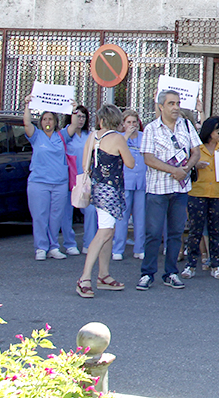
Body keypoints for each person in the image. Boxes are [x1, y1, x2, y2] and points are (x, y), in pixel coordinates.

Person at [138, 89, 201, 291]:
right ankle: (147, 273)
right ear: (161, 106)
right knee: (154, 233)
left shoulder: (186, 125)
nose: (175, 107)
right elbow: (148, 158)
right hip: (158, 189)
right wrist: (173, 170)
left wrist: (186, 169)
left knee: (176, 233)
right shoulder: (151, 129)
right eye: (171, 103)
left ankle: (171, 273)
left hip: (180, 189)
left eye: (177, 103)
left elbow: (196, 152)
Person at [75, 105, 135, 298]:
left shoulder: (92, 136)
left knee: (108, 230)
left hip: (96, 188)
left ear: (101, 120)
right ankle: (85, 278)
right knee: (105, 232)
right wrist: (125, 140)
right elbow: (130, 163)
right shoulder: (117, 138)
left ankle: (104, 274)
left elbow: (85, 163)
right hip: (111, 191)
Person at [22, 98, 72, 260]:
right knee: (40, 216)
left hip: (59, 183)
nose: (47, 121)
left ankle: (53, 247)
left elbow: (73, 125)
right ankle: (41, 247)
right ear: (41, 122)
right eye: (44, 119)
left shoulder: (61, 135)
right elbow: (26, 123)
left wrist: (73, 108)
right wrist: (27, 105)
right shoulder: (36, 136)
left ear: (55, 121)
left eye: (50, 119)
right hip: (39, 183)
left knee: (55, 217)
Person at [180, 116, 219, 280]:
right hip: (198, 192)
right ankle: (191, 264)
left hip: (218, 193)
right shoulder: (197, 148)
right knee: (195, 230)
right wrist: (195, 164)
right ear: (210, 132)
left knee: (216, 230)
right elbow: (184, 165)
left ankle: (216, 264)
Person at [112, 110, 146, 261]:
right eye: (129, 122)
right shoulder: (119, 138)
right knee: (122, 217)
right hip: (125, 182)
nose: (132, 125)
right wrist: (125, 136)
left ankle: (139, 248)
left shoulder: (144, 137)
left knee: (140, 217)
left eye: (134, 122)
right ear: (123, 124)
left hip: (141, 182)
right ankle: (118, 248)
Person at [63, 104, 93, 255]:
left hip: (85, 178)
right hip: (69, 177)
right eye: (78, 116)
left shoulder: (90, 135)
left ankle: (89, 243)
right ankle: (69, 243)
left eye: (83, 117)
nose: (80, 120)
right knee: (66, 213)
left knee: (90, 210)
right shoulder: (66, 134)